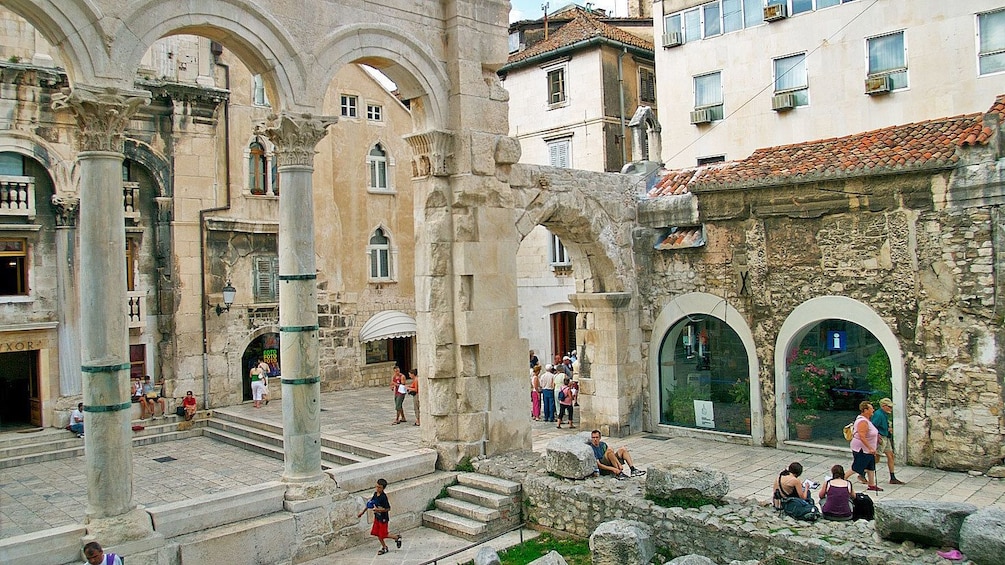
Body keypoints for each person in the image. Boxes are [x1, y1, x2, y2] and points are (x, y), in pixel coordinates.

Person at [357, 478, 402, 555]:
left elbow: (388, 508)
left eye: (379, 487)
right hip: (377, 517)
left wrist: (379, 510)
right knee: (377, 533)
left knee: (383, 534)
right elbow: (370, 503)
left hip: (383, 518)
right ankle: (384, 547)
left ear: (383, 488)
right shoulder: (375, 494)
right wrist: (362, 512)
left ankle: (396, 537)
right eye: (377, 486)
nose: (377, 488)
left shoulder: (383, 497)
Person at [846, 401, 883, 492]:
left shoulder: (866, 420)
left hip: (868, 449)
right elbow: (862, 436)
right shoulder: (862, 421)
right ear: (865, 410)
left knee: (870, 466)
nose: (873, 410)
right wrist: (870, 447)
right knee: (857, 467)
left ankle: (871, 484)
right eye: (871, 408)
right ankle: (842, 479)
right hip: (862, 449)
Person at [871, 397, 905, 485]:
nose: (891, 409)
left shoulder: (884, 414)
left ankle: (892, 477)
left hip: (885, 437)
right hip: (881, 438)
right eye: (889, 407)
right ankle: (862, 472)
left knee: (890, 455)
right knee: (876, 458)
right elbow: (872, 426)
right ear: (883, 406)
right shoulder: (878, 415)